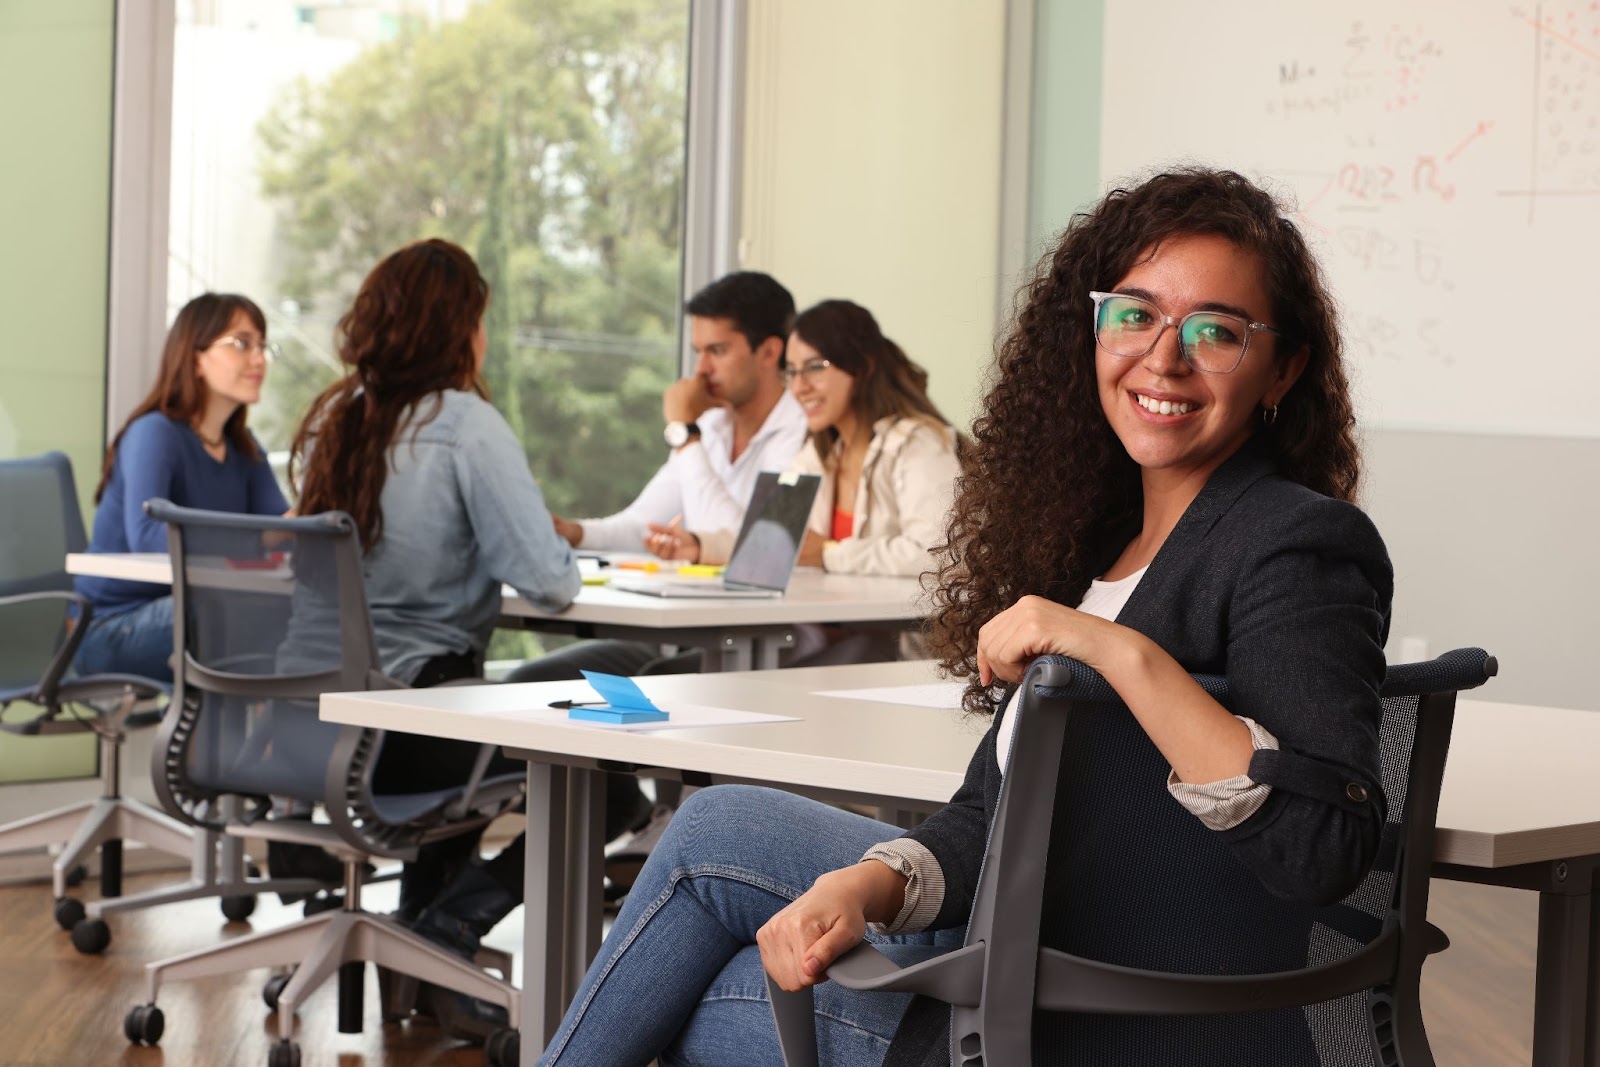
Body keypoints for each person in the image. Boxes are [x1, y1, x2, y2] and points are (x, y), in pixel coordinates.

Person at [534, 167, 1392, 1066]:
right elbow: (991, 815)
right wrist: (867, 885)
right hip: (1032, 941)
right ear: (1091, 331)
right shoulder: (1103, 549)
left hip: (1104, 1014)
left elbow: (1323, 846)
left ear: (1282, 367)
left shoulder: (1296, 542)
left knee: (699, 975)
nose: (1164, 358)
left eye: (1215, 331)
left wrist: (1119, 653)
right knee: (715, 860)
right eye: (1133, 315)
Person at [286, 238, 581, 1036]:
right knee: (607, 762)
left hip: (302, 722)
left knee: (512, 707)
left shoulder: (331, 423)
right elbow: (551, 581)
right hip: (410, 726)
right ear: (461, 331)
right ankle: (446, 925)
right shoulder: (465, 426)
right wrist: (547, 537)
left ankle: (427, 949)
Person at [646, 298, 960, 580]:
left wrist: (828, 554)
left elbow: (940, 555)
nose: (799, 387)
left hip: (888, 643)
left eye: (815, 368)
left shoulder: (919, 444)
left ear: (862, 367)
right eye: (792, 372)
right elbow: (770, 539)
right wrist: (700, 546)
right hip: (821, 636)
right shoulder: (818, 455)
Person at [74, 293, 290, 681]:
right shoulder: (154, 433)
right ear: (195, 358)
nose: (259, 359)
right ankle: (241, 737)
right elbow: (148, 536)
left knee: (296, 607)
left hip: (193, 609)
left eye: (262, 346)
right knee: (234, 610)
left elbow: (283, 529)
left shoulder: (243, 446)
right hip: (109, 627)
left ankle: (257, 735)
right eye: (241, 344)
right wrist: (258, 538)